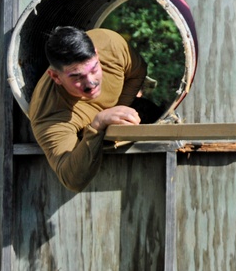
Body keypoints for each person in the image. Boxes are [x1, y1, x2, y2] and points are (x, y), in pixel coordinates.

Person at [29, 26, 156, 192]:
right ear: (55, 77)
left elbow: (138, 71)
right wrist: (97, 125)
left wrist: (120, 109)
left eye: (94, 69)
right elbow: (72, 179)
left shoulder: (110, 44)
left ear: (96, 54)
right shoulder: (49, 112)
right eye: (77, 77)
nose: (90, 83)